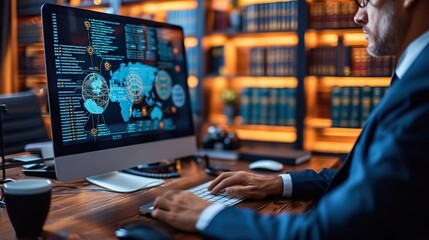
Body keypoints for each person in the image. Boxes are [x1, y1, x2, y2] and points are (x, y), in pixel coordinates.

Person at [152, 0, 429, 238]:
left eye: (366, 0)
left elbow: (322, 233)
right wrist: (276, 183)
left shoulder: (421, 88)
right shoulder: (415, 71)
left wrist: (208, 215)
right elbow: (368, 179)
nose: (358, 16)